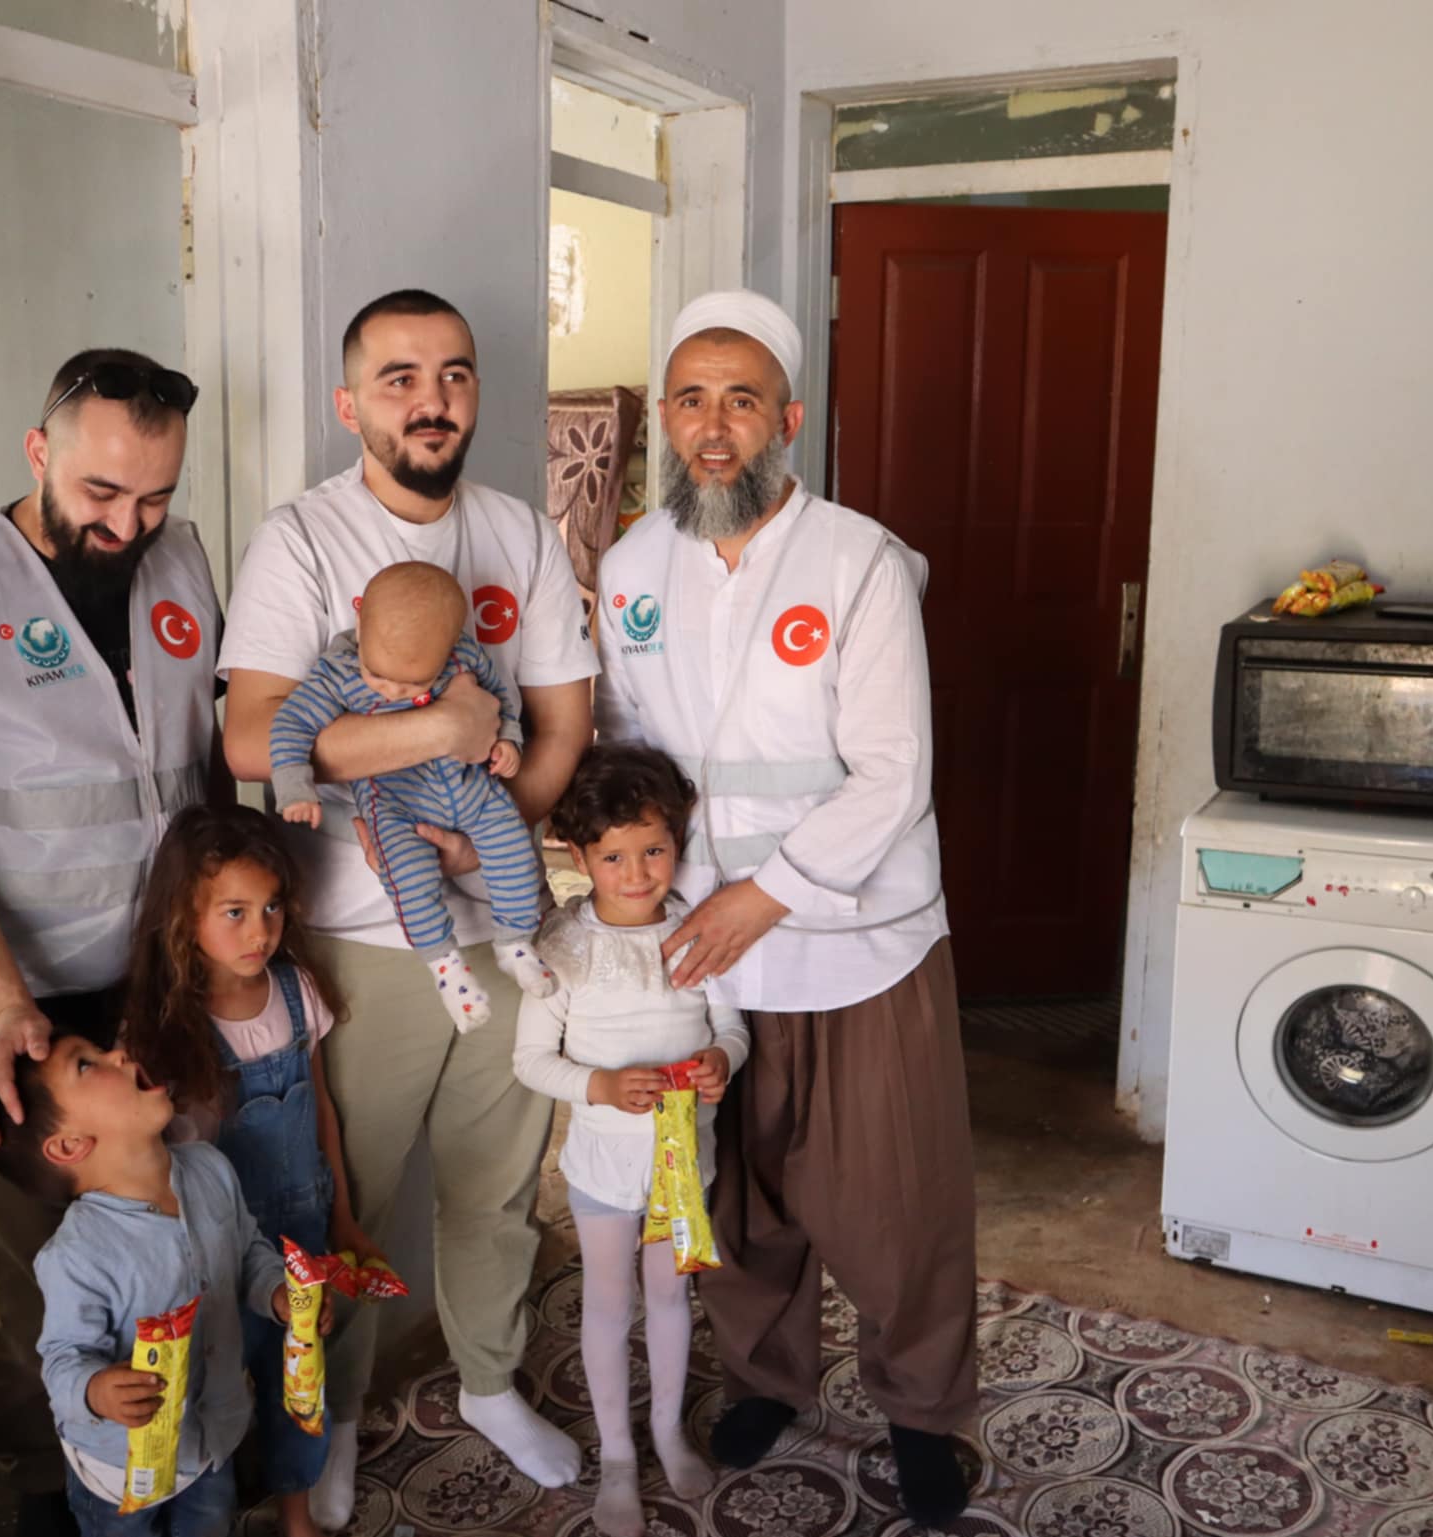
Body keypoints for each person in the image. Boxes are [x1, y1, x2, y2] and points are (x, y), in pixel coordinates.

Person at [592, 290, 977, 1526]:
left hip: (855, 944)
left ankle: (920, 1410)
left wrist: (764, 895)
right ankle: (765, 1376)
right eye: (691, 400)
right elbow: (627, 753)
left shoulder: (855, 560)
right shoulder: (627, 569)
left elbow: (894, 771)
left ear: (788, 420)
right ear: (664, 417)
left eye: (741, 401)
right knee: (736, 1193)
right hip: (701, 948)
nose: (714, 429)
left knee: (894, 1202)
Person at [220, 290, 596, 1524]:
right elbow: (249, 735)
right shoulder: (301, 540)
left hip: (502, 930)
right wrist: (438, 729)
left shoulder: (517, 533)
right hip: (356, 938)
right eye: (398, 378)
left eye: (452, 374)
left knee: (495, 1188)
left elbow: (561, 721)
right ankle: (328, 1426)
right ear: (350, 404)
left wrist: (493, 842)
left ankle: (487, 1382)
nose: (430, 400)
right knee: (346, 1202)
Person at [0, 348, 223, 1533]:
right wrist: (11, 1009)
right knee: (36, 1264)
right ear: (39, 452)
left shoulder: (182, 561)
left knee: (179, 1216)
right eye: (101, 493)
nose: (128, 526)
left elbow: (199, 763)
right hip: (21, 999)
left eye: (156, 497)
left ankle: (185, 1456)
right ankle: (45, 1484)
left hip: (161, 980)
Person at [118, 805, 373, 1537]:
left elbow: (322, 1110)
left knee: (299, 1377)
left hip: (301, 1230)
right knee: (217, 1380)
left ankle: (297, 1513)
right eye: (234, 911)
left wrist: (343, 1215)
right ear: (183, 916)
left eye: (271, 907)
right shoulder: (163, 1029)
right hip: (214, 1245)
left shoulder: (298, 994)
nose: (260, 931)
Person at [513, 746, 748, 1537]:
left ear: (677, 841)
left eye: (654, 849)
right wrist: (602, 1085)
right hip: (603, 1171)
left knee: (671, 1296)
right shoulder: (562, 949)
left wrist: (722, 1060)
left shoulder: (697, 931)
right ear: (579, 857)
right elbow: (531, 1059)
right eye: (613, 856)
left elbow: (731, 1026)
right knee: (610, 1305)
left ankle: (668, 1429)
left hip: (685, 1165)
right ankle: (618, 1454)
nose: (638, 872)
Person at [0, 1033, 331, 1537]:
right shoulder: (77, 1255)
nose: (119, 1053)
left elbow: (248, 1252)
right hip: (119, 1469)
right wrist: (96, 1391)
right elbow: (62, 1358)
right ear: (69, 1146)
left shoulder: (211, 1168)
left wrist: (280, 1294)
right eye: (87, 1065)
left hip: (211, 1441)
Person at [270, 561, 556, 1030]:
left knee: (512, 846)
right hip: (395, 802)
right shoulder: (338, 672)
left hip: (471, 787)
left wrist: (508, 741)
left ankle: (515, 943)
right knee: (408, 877)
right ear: (360, 622)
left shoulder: (465, 657)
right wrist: (294, 786)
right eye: (378, 676)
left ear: (451, 645)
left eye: (414, 684)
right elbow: (291, 724)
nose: (392, 691)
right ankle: (447, 968)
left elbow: (501, 701)